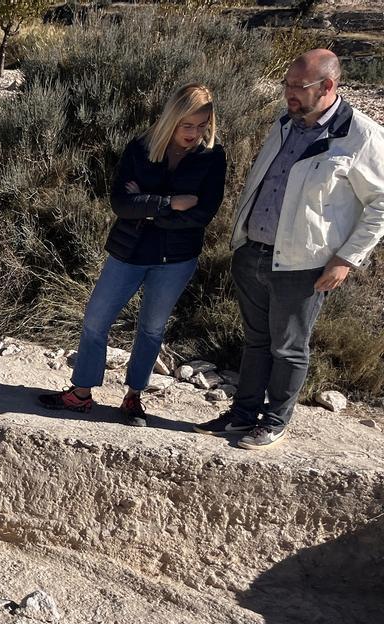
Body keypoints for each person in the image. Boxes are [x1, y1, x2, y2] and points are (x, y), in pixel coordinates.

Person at [195, 49, 384, 448]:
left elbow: (380, 203)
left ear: (328, 86)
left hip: (305, 265)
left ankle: (274, 421)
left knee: (289, 347)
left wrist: (346, 259)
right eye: (287, 85)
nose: (289, 94)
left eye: (299, 87)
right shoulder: (285, 123)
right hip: (254, 253)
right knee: (256, 342)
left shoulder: (361, 135)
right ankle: (242, 415)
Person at [38, 84, 228, 426]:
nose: (195, 133)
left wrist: (147, 206)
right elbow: (121, 204)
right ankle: (80, 394)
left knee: (152, 329)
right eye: (188, 125)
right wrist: (170, 204)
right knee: (96, 320)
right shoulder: (141, 148)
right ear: (172, 119)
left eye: (202, 126)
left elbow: (203, 214)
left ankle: (134, 397)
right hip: (129, 251)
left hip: (176, 259)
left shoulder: (212, 157)